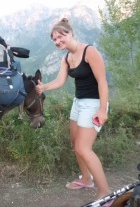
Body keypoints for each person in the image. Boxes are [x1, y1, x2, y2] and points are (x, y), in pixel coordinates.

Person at [36, 18, 113, 206]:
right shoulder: (66, 58)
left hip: (94, 104)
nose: (57, 42)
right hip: (78, 103)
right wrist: (44, 87)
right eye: (54, 39)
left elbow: (103, 82)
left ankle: (106, 192)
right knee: (75, 143)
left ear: (70, 34)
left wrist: (102, 110)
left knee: (83, 147)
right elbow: (60, 81)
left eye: (60, 37)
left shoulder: (89, 51)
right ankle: (86, 179)